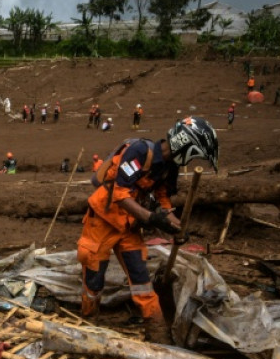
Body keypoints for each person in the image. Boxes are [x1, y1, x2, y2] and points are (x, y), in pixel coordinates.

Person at [77, 118, 218, 330]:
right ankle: (89, 321)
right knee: (94, 277)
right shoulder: (139, 151)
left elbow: (163, 199)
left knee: (140, 277)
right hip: (103, 220)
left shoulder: (170, 168)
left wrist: (176, 226)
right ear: (186, 146)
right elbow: (120, 194)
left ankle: (157, 328)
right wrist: (151, 218)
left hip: (129, 225)